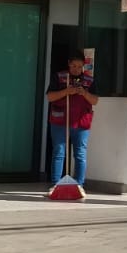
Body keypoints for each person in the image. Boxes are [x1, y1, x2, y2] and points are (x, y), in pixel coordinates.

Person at [46, 54, 97, 185]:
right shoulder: (59, 77)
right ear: (69, 63)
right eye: (74, 66)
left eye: (79, 66)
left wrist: (84, 93)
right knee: (59, 152)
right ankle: (55, 184)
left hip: (81, 122)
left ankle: (79, 185)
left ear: (83, 66)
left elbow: (95, 101)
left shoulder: (89, 80)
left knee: (80, 154)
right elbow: (50, 97)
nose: (76, 69)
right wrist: (66, 92)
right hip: (60, 121)